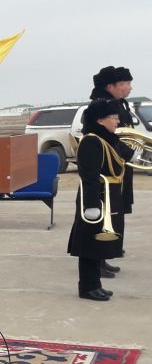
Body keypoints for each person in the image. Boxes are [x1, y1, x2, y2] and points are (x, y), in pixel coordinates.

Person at [67, 99, 131, 301]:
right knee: (90, 242)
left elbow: (125, 156)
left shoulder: (107, 139)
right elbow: (89, 176)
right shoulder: (91, 141)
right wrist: (92, 205)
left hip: (109, 195)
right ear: (100, 120)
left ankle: (95, 283)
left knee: (100, 244)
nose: (117, 121)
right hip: (96, 197)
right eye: (114, 117)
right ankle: (87, 287)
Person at [88, 66, 135, 278]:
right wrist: (128, 152)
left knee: (114, 213)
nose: (129, 87)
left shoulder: (116, 104)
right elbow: (109, 138)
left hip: (116, 167)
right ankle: (97, 261)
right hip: (106, 171)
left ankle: (104, 257)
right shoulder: (100, 106)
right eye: (125, 83)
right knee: (102, 216)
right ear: (110, 86)